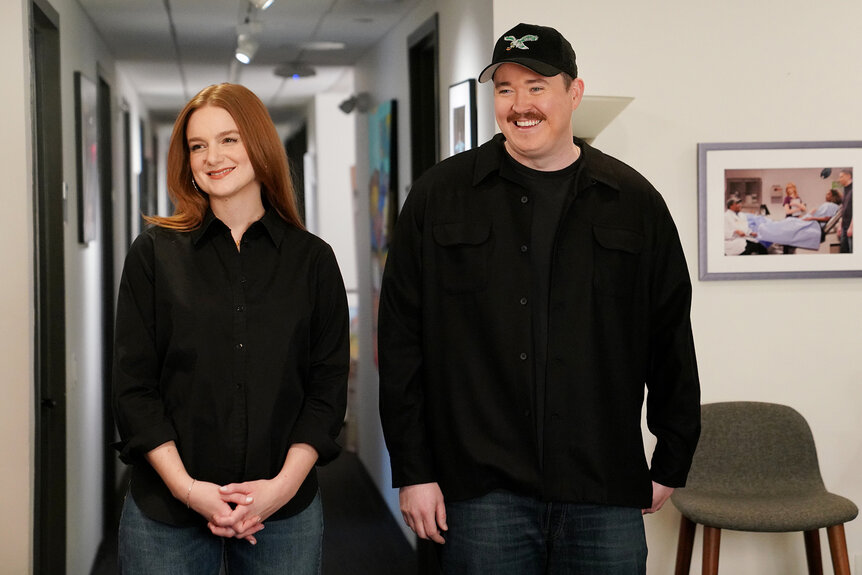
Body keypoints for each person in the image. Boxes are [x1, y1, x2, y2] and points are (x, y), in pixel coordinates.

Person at [378, 23, 701, 574]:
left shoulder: (634, 203)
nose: (520, 104)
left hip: (603, 484)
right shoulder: (439, 197)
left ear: (573, 93)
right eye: (505, 88)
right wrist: (414, 469)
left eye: (536, 86)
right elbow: (402, 341)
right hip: (481, 491)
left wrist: (673, 457)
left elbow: (669, 334)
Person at [113, 83, 349, 574]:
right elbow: (135, 388)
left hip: (282, 515)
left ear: (259, 145)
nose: (212, 157)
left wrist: (277, 491)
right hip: (167, 515)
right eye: (198, 146)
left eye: (228, 140)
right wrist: (188, 489)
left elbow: (326, 391)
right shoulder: (154, 255)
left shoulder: (312, 261)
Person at [838, 168, 853, 253]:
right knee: (844, 251)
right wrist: (840, 225)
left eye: (841, 177)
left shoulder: (855, 189)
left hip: (851, 226)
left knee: (852, 251)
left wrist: (851, 227)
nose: (839, 179)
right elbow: (843, 209)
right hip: (844, 226)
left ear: (848, 176)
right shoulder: (845, 190)